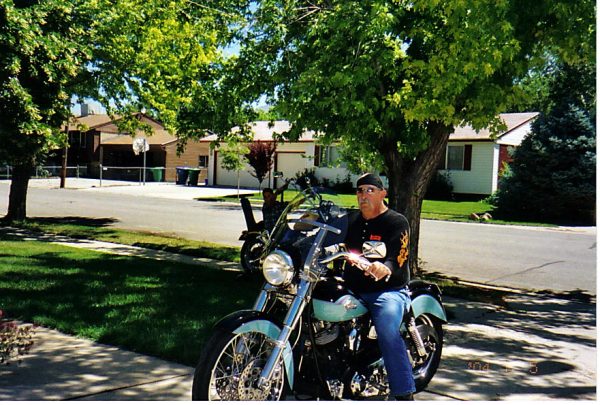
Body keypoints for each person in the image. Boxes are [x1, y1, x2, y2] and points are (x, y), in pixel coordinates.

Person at [343, 173, 415, 401]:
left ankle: (404, 392)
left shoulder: (396, 221)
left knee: (386, 329)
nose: (363, 195)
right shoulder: (350, 220)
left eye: (370, 190)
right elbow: (327, 238)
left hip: (386, 290)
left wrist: (386, 267)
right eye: (360, 190)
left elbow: (399, 255)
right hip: (351, 287)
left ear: (383, 193)